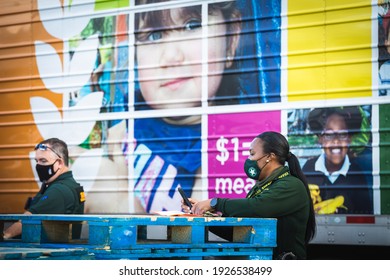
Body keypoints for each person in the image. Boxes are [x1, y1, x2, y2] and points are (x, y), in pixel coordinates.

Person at [132, 1, 243, 213]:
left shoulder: (232, 145)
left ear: (231, 40)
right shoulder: (121, 133)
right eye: (154, 35)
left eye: (192, 25)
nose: (171, 57)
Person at [182, 131, 316, 260]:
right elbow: (240, 232)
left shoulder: (291, 185)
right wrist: (203, 216)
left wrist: (215, 203)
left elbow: (259, 207)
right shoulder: (260, 188)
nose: (249, 160)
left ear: (270, 156)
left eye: (252, 154)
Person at [3, 138, 85, 239]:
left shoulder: (59, 190)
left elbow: (28, 220)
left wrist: (5, 235)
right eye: (37, 161)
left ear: (59, 163)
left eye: (43, 161)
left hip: (51, 252)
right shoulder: (62, 184)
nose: (38, 166)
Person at [302, 106, 373, 214]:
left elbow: (365, 212)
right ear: (320, 139)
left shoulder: (356, 174)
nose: (336, 141)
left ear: (349, 139)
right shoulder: (308, 168)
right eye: (329, 135)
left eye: (343, 134)